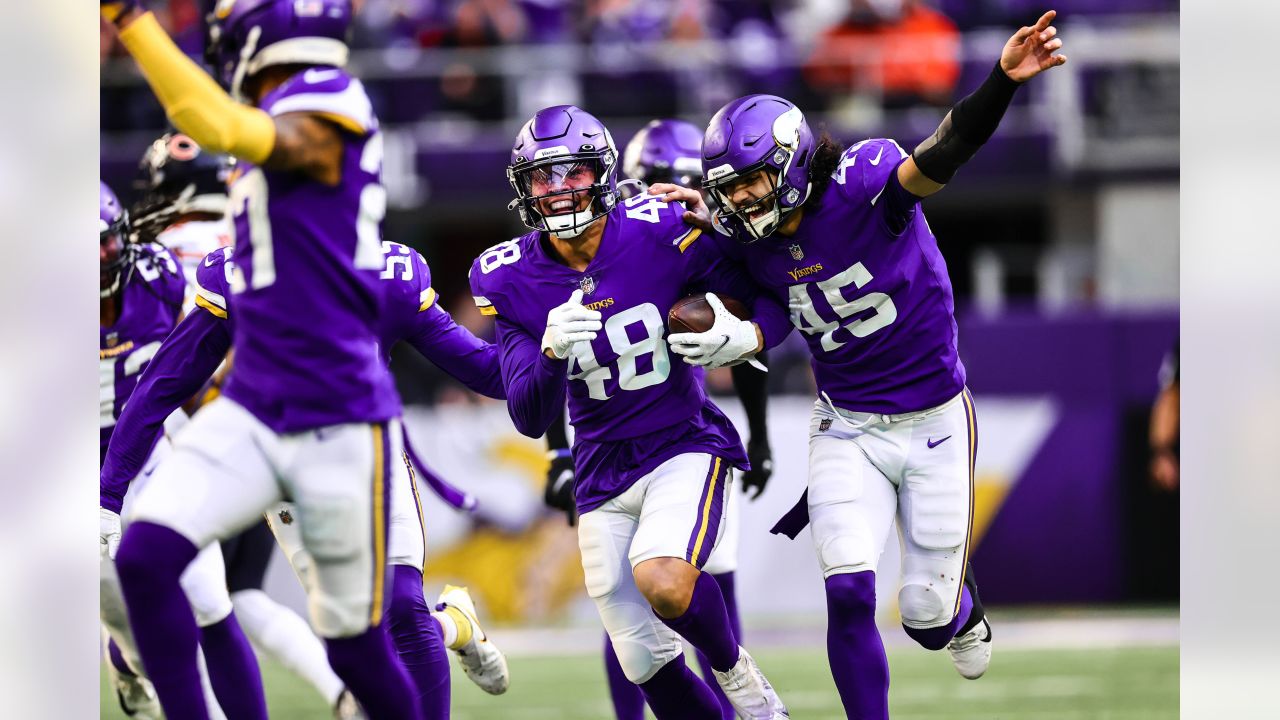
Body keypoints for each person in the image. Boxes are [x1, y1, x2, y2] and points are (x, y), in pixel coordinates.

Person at [657, 11, 1067, 718]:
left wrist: (1000, 81)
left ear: (787, 164)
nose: (739, 200)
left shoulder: (863, 184)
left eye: (753, 183)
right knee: (847, 593)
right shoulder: (747, 241)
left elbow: (942, 154)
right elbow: (770, 311)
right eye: (730, 188)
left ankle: (958, 604)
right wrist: (740, 334)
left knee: (925, 619)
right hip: (845, 422)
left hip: (935, 417)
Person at [100, 0, 423, 716]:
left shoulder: (330, 101)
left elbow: (212, 123)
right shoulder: (286, 112)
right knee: (146, 559)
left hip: (335, 409)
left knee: (354, 646)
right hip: (253, 399)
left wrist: (130, 19)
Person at [471, 104, 790, 720]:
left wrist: (747, 335)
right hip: (598, 470)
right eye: (543, 178)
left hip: (680, 441)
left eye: (574, 174)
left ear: (605, 173)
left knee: (664, 581)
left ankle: (738, 675)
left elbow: (768, 290)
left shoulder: (661, 227)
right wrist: (549, 351)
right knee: (646, 664)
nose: (559, 192)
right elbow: (529, 415)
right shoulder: (505, 276)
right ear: (523, 189)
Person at [102, 239, 512, 718]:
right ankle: (456, 627)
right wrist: (109, 493)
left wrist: (542, 351)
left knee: (402, 606)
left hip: (365, 447)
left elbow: (488, 372)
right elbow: (161, 385)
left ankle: (441, 635)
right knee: (355, 639)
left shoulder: (387, 278)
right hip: (283, 463)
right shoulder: (240, 277)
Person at [549, 117, 772, 720]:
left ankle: (737, 689)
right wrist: (559, 451)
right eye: (651, 182)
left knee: (691, 582)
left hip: (678, 436)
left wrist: (759, 429)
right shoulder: (572, 250)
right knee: (627, 621)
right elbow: (543, 364)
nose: (660, 196)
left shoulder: (679, 233)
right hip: (603, 449)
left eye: (675, 185)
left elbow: (756, 301)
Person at [98, 180, 247, 719]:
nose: (101, 258)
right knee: (132, 629)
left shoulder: (157, 274)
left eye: (107, 243)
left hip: (154, 449)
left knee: (211, 598)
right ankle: (124, 660)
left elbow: (187, 359)